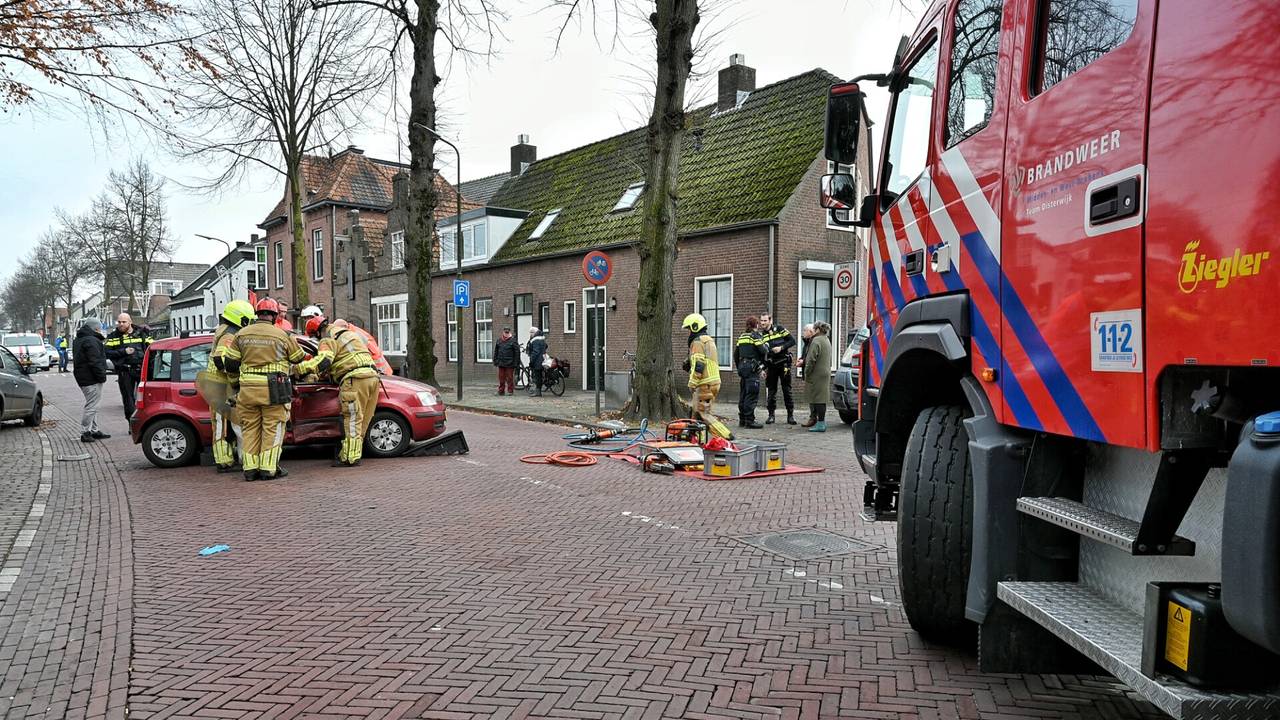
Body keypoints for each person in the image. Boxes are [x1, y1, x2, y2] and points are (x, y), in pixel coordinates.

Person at [218, 298, 306, 481]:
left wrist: (236, 384)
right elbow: (298, 357)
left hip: (247, 390)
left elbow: (231, 364)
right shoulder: (282, 334)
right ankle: (268, 469)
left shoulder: (241, 335)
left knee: (250, 429)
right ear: (274, 316)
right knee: (272, 428)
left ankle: (250, 469)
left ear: (257, 315)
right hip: (274, 389)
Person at [298, 314, 380, 467]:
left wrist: (300, 369)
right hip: (373, 377)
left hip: (354, 379)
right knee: (363, 420)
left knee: (353, 419)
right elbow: (345, 357)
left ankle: (350, 458)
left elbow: (324, 361)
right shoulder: (349, 334)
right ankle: (353, 453)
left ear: (317, 332)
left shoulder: (327, 338)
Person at [202, 299, 255, 473]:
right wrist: (233, 377)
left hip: (220, 383)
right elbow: (220, 358)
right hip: (219, 384)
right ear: (241, 318)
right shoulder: (229, 334)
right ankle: (223, 461)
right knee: (221, 425)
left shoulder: (226, 330)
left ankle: (230, 457)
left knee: (228, 423)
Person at [104, 312, 152, 420]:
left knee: (146, 397)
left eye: (124, 322)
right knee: (128, 399)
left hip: (142, 370)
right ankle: (131, 423)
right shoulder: (113, 337)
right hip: (125, 371)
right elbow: (106, 352)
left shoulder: (142, 333)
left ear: (130, 322)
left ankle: (145, 421)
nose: (121, 324)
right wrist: (123, 352)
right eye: (119, 322)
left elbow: (152, 348)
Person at [72, 318, 110, 443]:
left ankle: (94, 429)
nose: (101, 330)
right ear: (95, 328)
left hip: (83, 376)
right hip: (91, 378)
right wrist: (102, 376)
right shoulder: (92, 340)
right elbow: (95, 361)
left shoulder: (79, 339)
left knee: (93, 404)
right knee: (92, 405)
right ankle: (85, 432)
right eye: (99, 327)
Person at [759, 313, 797, 425]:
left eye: (765, 321)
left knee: (787, 390)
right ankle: (771, 416)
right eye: (761, 321)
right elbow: (762, 354)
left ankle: (790, 416)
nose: (762, 323)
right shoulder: (761, 335)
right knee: (771, 391)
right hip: (771, 365)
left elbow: (792, 341)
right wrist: (762, 368)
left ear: (770, 321)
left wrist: (781, 348)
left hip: (784, 364)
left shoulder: (779, 329)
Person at [682, 313, 721, 417]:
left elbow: (699, 364)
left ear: (695, 327)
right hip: (713, 383)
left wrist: (692, 383)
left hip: (704, 384)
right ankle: (701, 433)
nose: (689, 333)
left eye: (689, 329)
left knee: (702, 417)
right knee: (702, 415)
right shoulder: (708, 340)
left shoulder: (698, 342)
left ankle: (725, 434)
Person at [733, 315, 767, 429]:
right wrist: (766, 345)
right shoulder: (755, 336)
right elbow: (763, 350)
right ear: (756, 325)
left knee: (743, 393)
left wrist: (739, 367)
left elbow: (735, 354)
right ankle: (750, 420)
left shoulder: (742, 336)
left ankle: (742, 419)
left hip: (743, 367)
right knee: (751, 394)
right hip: (752, 368)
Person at [800, 321, 833, 432]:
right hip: (825, 372)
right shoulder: (827, 340)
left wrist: (806, 372)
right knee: (822, 398)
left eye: (814, 328)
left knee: (818, 399)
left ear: (818, 329)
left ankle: (820, 424)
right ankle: (820, 422)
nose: (813, 330)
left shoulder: (816, 341)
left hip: (816, 374)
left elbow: (811, 359)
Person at [493, 327, 520, 395]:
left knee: (509, 378)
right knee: (501, 378)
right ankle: (501, 391)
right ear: (503, 332)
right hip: (501, 362)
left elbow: (517, 352)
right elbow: (496, 351)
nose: (506, 333)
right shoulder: (499, 340)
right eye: (505, 332)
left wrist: (516, 362)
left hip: (510, 363)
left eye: (507, 332)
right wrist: (495, 360)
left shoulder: (513, 341)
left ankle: (510, 391)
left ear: (509, 332)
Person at [526, 327, 548, 397]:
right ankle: (538, 391)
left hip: (537, 361)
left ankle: (538, 392)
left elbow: (535, 352)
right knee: (540, 376)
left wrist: (531, 361)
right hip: (543, 359)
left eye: (531, 333)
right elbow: (546, 346)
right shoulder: (541, 338)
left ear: (534, 333)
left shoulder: (535, 340)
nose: (530, 334)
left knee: (537, 376)